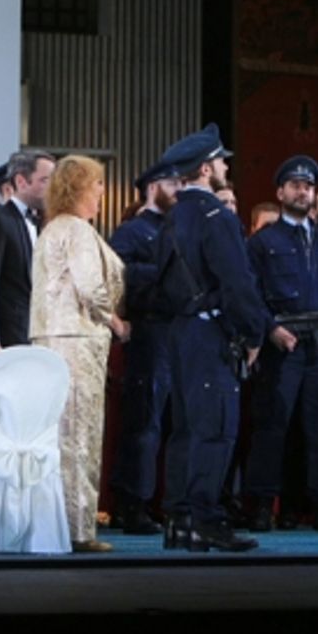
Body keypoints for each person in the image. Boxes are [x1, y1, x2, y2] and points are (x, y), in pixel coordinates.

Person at [156, 123, 271, 552]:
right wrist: (253, 330)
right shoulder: (215, 216)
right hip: (212, 329)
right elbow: (238, 281)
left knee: (185, 429)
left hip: (182, 329)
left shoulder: (173, 217)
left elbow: (160, 280)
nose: (225, 167)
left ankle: (180, 520)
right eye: (221, 161)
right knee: (215, 429)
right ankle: (206, 519)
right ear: (206, 169)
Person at [244, 155, 318, 531]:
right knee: (271, 429)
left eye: (308, 186)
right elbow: (251, 293)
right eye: (295, 185)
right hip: (284, 345)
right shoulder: (264, 242)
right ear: (280, 192)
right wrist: (269, 330)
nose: (302, 191)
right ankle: (261, 506)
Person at [30, 155, 128, 552]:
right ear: (80, 188)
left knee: (60, 433)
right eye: (97, 185)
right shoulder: (77, 230)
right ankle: (77, 528)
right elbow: (90, 286)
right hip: (77, 339)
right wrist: (115, 321)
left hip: (54, 338)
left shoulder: (54, 229)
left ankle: (57, 524)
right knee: (79, 433)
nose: (102, 193)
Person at [108, 158, 181, 534]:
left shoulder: (181, 228)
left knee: (173, 423)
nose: (179, 190)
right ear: (152, 187)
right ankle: (132, 503)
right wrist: (168, 275)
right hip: (150, 330)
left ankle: (163, 501)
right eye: (172, 183)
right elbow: (119, 274)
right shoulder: (133, 231)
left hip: (180, 331)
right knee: (145, 422)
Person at [0, 150, 54, 357]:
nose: (53, 187)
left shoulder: (38, 224)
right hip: (7, 335)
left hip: (34, 333)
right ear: (21, 181)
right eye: (45, 180)